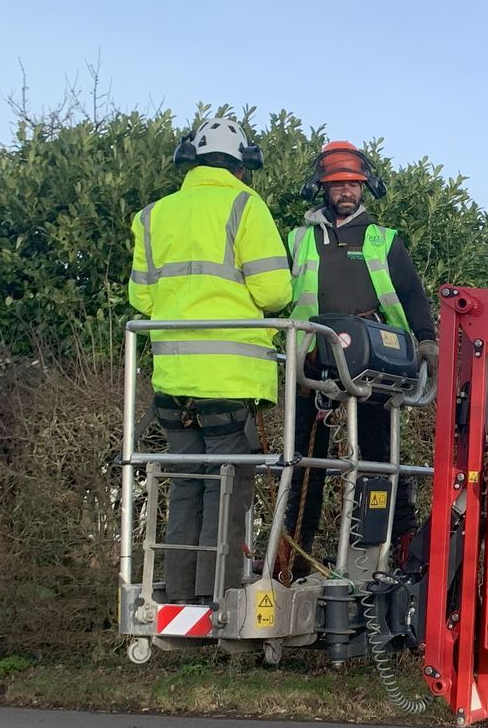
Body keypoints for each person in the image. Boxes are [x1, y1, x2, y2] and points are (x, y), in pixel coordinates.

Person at [128, 117, 293, 601]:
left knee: (184, 486)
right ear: (243, 165)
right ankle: (215, 601)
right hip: (229, 378)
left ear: (191, 161)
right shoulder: (245, 205)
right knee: (227, 488)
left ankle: (177, 596)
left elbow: (142, 299)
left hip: (173, 381)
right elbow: (275, 292)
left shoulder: (152, 215)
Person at [281, 140, 437, 575]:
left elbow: (411, 294)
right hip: (314, 363)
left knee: (379, 461)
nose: (345, 191)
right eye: (337, 185)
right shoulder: (299, 239)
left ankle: (391, 551)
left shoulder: (383, 240)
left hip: (375, 365)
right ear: (323, 189)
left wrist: (426, 339)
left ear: (365, 187)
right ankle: (290, 558)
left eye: (352, 184)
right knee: (304, 465)